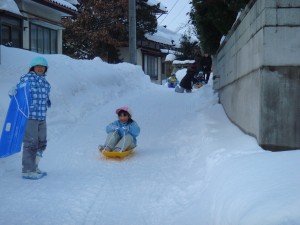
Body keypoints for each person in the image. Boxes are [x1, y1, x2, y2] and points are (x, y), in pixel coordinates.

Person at [9, 56, 51, 180]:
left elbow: (45, 96)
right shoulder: (27, 79)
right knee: (31, 143)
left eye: (42, 67)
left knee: (42, 142)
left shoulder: (46, 83)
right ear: (33, 67)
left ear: (45, 69)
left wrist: (47, 101)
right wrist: (13, 92)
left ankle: (34, 166)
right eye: (38, 66)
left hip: (42, 116)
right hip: (30, 117)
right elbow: (16, 92)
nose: (40, 69)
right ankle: (27, 170)